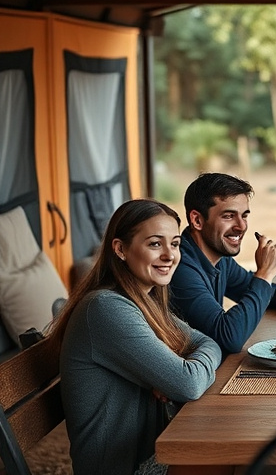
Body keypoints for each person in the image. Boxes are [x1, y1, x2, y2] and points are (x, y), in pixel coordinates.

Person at [50, 199, 222, 475]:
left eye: (175, 243)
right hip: (128, 467)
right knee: (234, 455)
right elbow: (188, 383)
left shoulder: (145, 301)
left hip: (152, 452)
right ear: (120, 249)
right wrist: (179, 372)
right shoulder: (106, 308)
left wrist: (182, 369)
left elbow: (208, 343)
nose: (170, 255)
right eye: (155, 244)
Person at [169, 173, 276, 354]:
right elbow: (229, 338)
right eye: (228, 216)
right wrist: (265, 273)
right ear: (197, 220)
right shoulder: (179, 267)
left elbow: (248, 287)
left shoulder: (220, 258)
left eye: (244, 216)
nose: (241, 226)